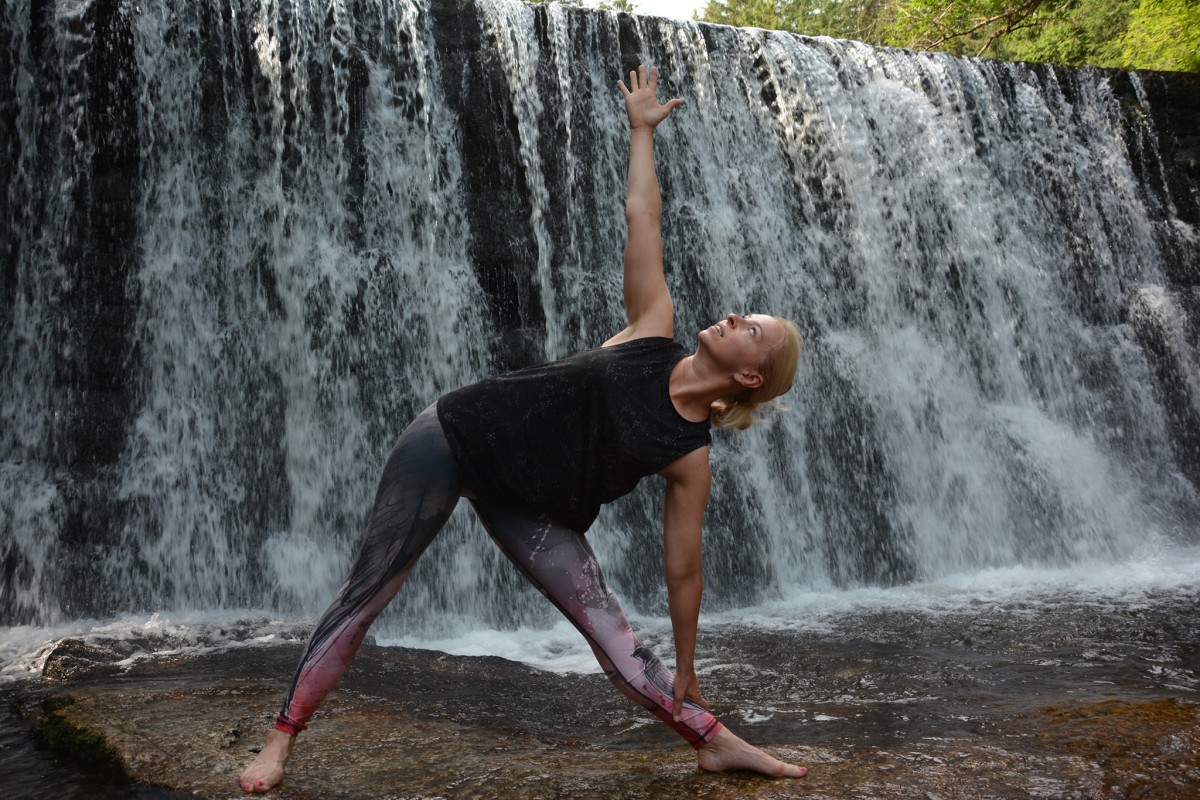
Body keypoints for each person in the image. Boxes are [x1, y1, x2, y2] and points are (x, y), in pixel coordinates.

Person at [239, 65, 807, 793]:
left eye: (750, 328)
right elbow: (644, 219)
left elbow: (684, 569)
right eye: (743, 314)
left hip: (531, 504)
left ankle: (715, 741)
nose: (732, 316)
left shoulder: (689, 455)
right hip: (454, 437)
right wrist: (641, 133)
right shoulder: (652, 328)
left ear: (751, 377)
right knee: (370, 589)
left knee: (608, 628)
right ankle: (280, 740)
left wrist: (690, 663)